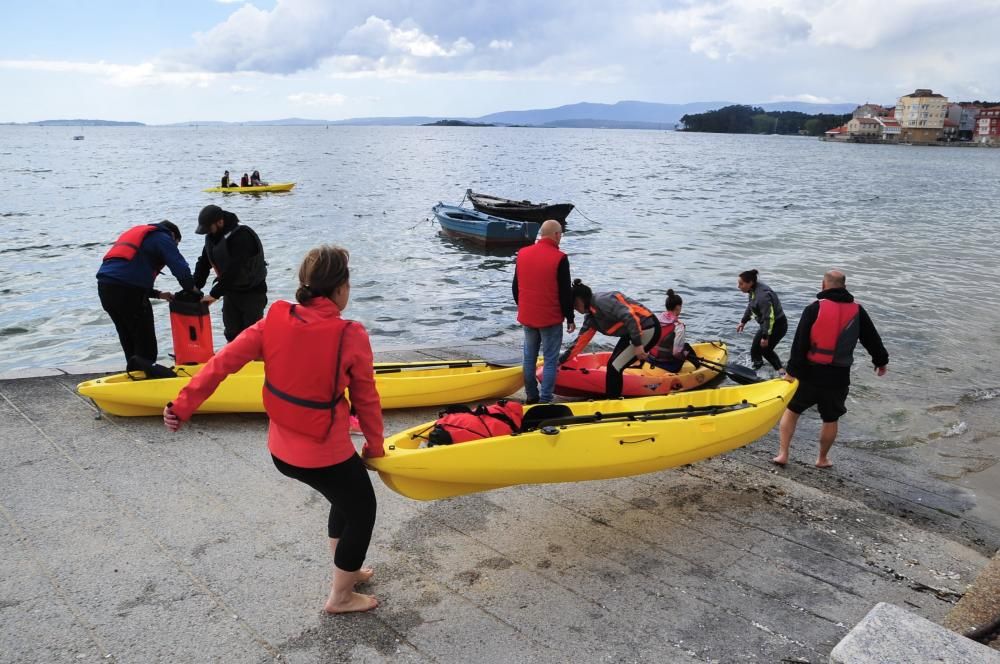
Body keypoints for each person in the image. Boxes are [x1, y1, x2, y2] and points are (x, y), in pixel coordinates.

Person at [163, 245, 384, 614]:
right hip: (322, 453)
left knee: (344, 497)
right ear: (341, 288)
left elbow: (221, 363)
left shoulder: (274, 319)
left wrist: (181, 405)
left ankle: (349, 570)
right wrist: (375, 447)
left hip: (282, 450)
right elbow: (367, 400)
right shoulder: (350, 334)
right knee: (362, 508)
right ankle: (341, 595)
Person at [773, 270, 889, 468]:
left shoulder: (813, 309)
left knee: (792, 411)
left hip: (809, 373)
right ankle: (822, 459)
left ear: (823, 285)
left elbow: (799, 342)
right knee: (830, 418)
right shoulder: (857, 311)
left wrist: (791, 372)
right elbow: (871, 338)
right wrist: (880, 361)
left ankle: (783, 454)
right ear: (844, 286)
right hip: (838, 376)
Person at [96, 220, 197, 368]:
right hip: (127, 292)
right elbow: (178, 265)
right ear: (173, 235)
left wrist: (158, 294)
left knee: (128, 336)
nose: (175, 247)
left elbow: (125, 274)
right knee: (145, 341)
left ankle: (134, 371)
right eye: (176, 244)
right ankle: (147, 375)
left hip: (105, 289)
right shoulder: (163, 237)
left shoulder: (142, 235)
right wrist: (192, 289)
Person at [558, 280, 660, 397]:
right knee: (613, 365)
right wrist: (560, 361)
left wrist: (637, 344)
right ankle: (613, 397)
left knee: (615, 367)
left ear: (581, 299)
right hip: (631, 333)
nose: (574, 307)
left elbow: (629, 316)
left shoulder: (602, 301)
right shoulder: (591, 318)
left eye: (574, 303)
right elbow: (579, 343)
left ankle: (613, 402)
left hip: (647, 328)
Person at [512, 219, 575, 404]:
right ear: (556, 235)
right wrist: (570, 317)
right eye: (560, 234)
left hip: (528, 316)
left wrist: (523, 306)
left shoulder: (523, 253)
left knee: (529, 358)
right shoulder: (560, 258)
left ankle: (531, 395)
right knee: (549, 360)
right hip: (550, 318)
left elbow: (516, 287)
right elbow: (565, 293)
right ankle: (546, 399)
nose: (561, 238)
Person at [193, 205, 268, 342]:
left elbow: (235, 270)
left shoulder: (243, 236)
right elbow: (204, 262)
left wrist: (214, 294)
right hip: (230, 293)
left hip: (252, 293)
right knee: (231, 334)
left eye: (209, 229)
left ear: (220, 222)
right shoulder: (213, 237)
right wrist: (194, 287)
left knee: (252, 336)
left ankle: (258, 360)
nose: (208, 233)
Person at [736, 269, 788, 372]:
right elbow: (751, 306)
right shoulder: (753, 290)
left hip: (777, 326)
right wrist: (743, 321)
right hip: (767, 325)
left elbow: (769, 318)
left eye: (741, 284)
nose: (738, 286)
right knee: (755, 350)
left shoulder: (762, 296)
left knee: (765, 350)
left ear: (750, 283)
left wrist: (765, 337)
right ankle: (757, 372)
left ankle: (782, 373)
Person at [646, 289, 698, 372]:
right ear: (678, 307)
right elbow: (676, 353)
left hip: (650, 359)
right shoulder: (679, 326)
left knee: (682, 347)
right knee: (687, 347)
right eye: (681, 306)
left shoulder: (656, 320)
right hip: (667, 365)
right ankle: (698, 369)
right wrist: (684, 356)